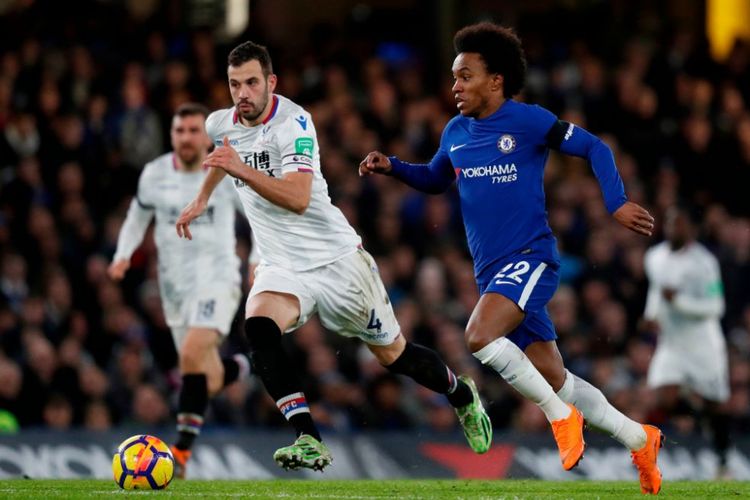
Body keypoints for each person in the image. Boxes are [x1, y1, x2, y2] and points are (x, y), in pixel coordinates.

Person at [359, 22, 663, 494]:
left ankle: (561, 420)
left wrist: (615, 201)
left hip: (530, 257)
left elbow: (593, 147)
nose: (455, 86)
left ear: (495, 80)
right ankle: (639, 438)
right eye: (454, 77)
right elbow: (437, 178)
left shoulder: (529, 121)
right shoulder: (456, 131)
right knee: (555, 377)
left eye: (465, 76)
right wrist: (393, 167)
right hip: (491, 272)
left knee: (479, 337)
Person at [175, 41, 492, 472]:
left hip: (337, 262)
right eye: (234, 85)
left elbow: (299, 198)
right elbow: (222, 153)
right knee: (259, 328)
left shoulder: (294, 123)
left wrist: (239, 169)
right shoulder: (221, 123)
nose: (242, 93)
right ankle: (309, 437)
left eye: (251, 82)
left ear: (271, 82)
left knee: (394, 356)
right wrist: (200, 199)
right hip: (281, 264)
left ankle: (461, 394)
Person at [108, 103, 249, 478]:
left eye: (192, 130)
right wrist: (123, 255)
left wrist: (259, 260)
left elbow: (258, 216)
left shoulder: (225, 170)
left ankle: (180, 453)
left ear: (206, 136)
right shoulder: (154, 174)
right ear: (172, 135)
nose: (186, 138)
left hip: (218, 279)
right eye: (179, 131)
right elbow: (137, 218)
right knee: (206, 375)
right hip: (174, 289)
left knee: (190, 354)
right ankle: (241, 366)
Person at [642, 205, 731, 479]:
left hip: (703, 344)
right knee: (662, 398)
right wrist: (651, 314)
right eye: (669, 224)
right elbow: (656, 290)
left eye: (678, 224)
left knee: (715, 405)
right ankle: (689, 421)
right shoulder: (654, 257)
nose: (672, 229)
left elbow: (716, 307)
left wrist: (678, 302)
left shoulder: (704, 263)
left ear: (691, 229)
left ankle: (722, 459)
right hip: (672, 343)